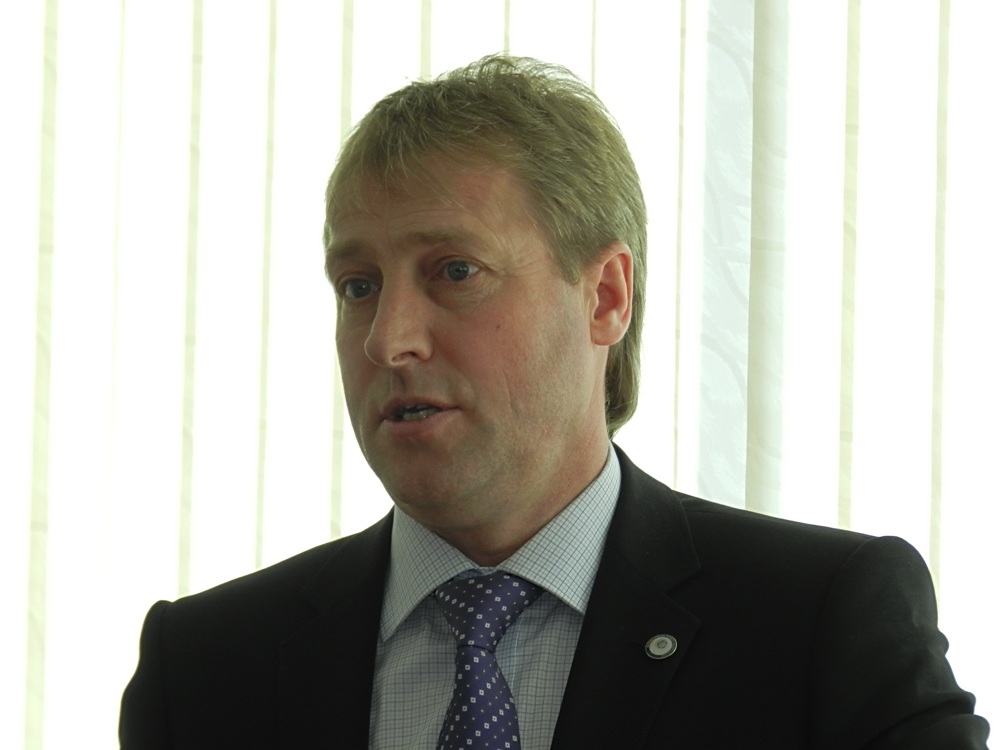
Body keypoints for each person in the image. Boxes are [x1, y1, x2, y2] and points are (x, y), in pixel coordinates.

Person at [120, 55, 989, 749]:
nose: (388, 340)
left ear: (605, 296)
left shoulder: (816, 624)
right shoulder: (205, 668)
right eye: (358, 285)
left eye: (454, 271)